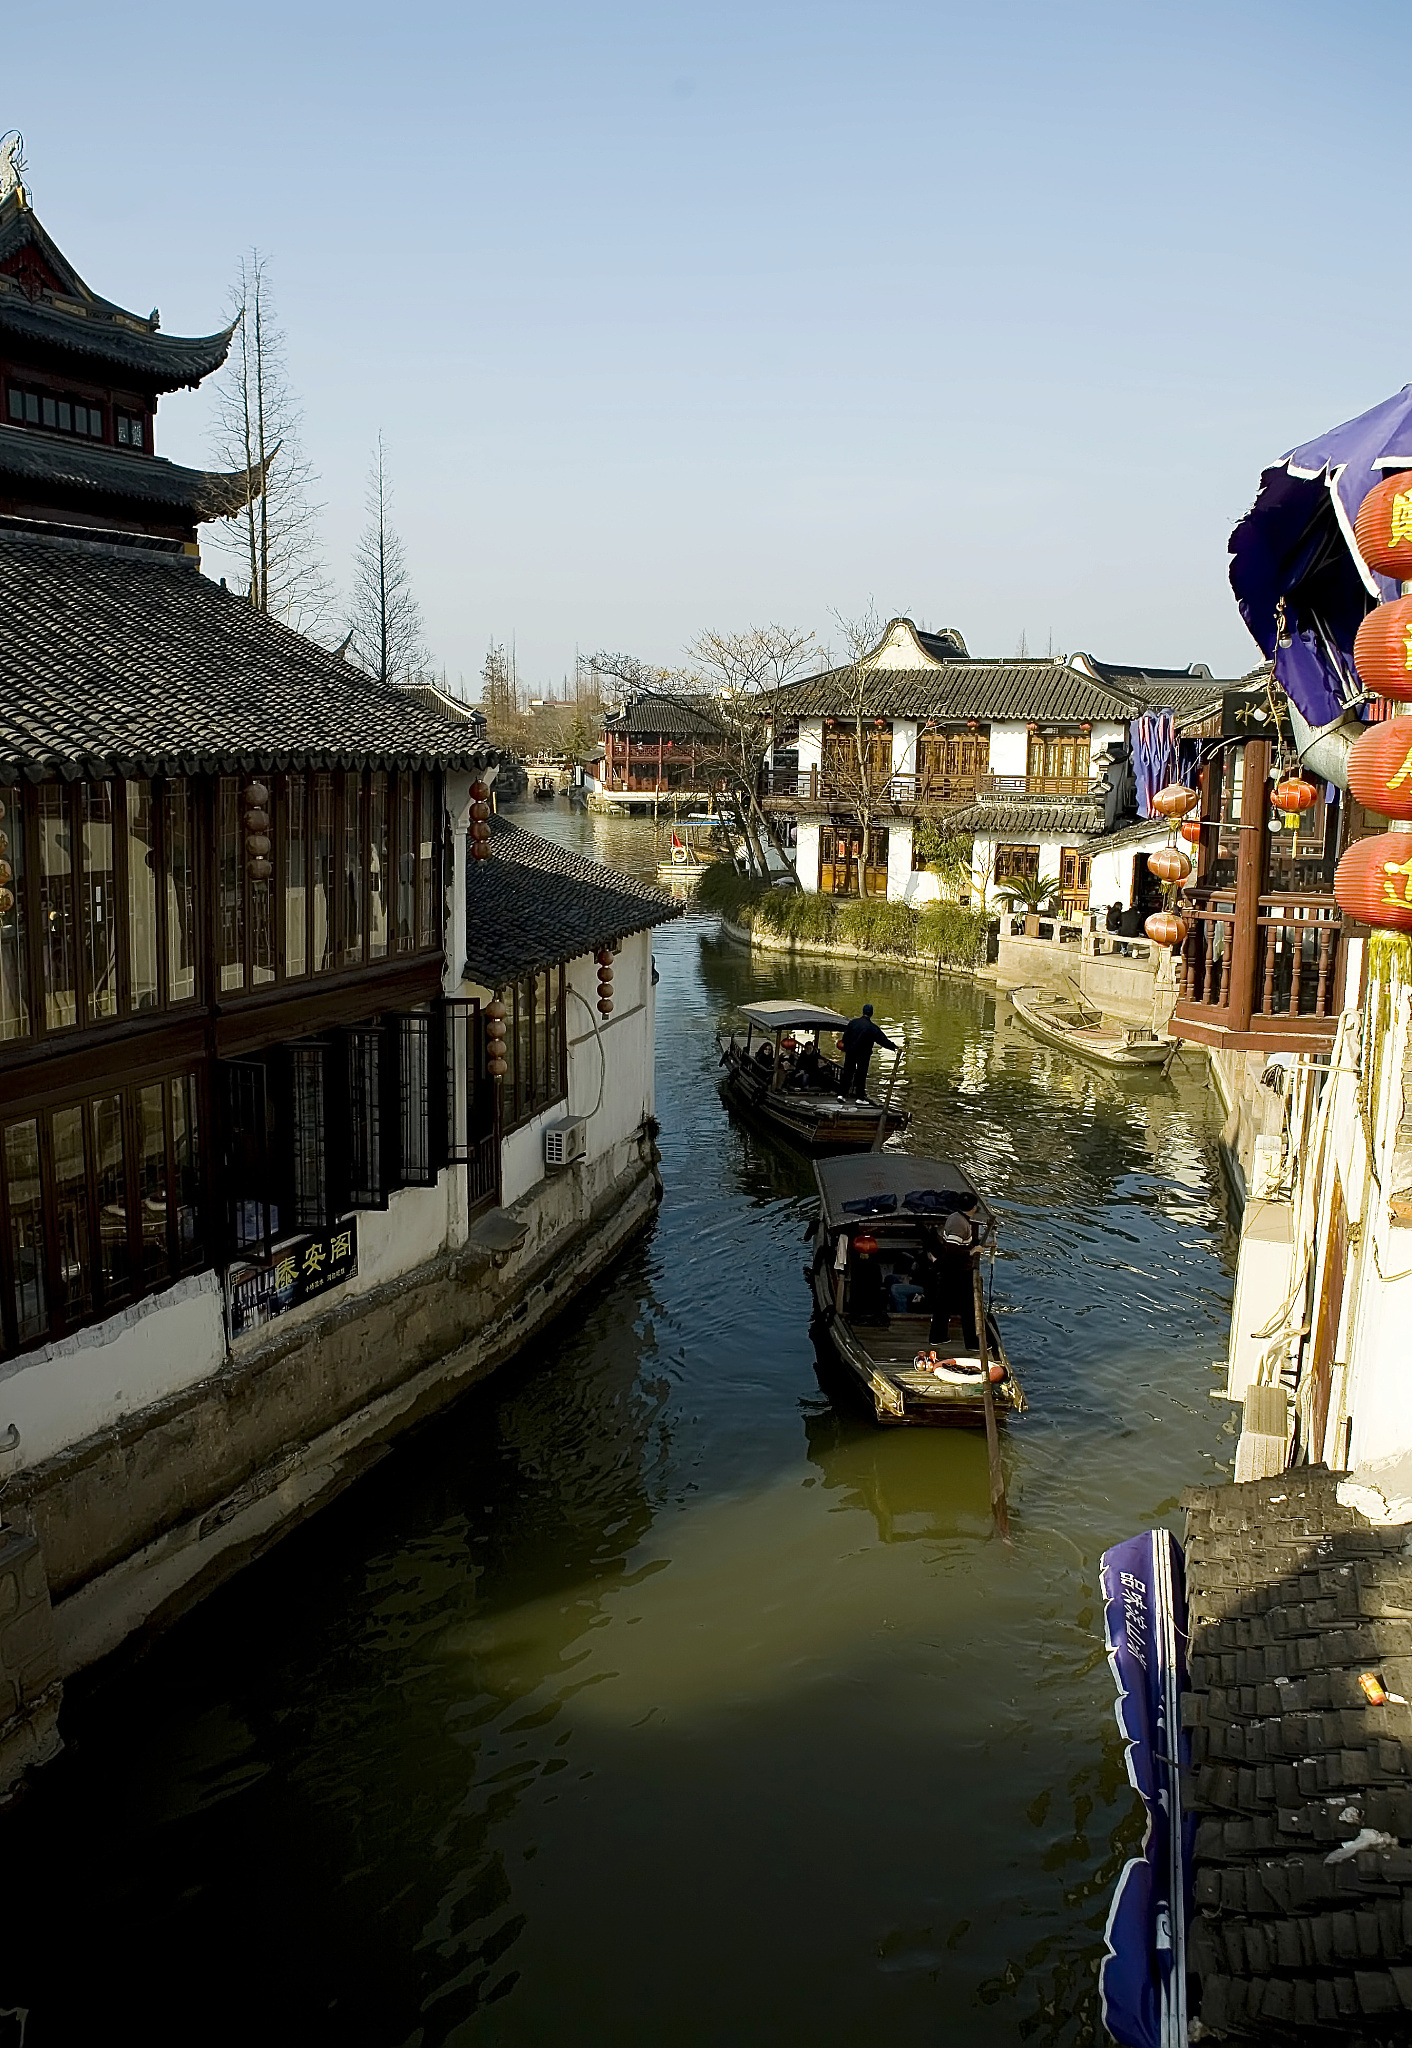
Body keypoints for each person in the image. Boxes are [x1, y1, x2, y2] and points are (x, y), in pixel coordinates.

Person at [839, 1004, 895, 1099]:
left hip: (851, 1052)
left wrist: (847, 1047)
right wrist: (894, 1047)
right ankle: (860, 1097)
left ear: (863, 1011)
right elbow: (883, 1040)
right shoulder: (872, 1028)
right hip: (863, 1055)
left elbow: (845, 1038)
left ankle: (842, 1094)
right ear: (871, 1013)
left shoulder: (853, 1023)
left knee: (848, 1072)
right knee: (861, 1075)